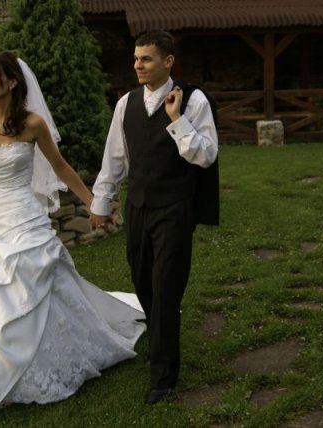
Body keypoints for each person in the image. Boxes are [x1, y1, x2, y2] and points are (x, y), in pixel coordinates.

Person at [0, 52, 146, 419]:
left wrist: (94, 203)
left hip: (25, 215)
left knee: (39, 275)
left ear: (12, 81)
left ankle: (52, 359)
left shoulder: (33, 123)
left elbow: (60, 167)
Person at [89, 30, 219, 404]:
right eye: (136, 59)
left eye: (146, 59)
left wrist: (176, 120)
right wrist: (101, 201)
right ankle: (160, 337)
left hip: (175, 207)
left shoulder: (193, 101)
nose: (138, 65)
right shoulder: (125, 103)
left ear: (168, 61)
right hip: (138, 206)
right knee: (142, 281)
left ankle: (163, 375)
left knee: (165, 288)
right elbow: (115, 157)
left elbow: (206, 155)